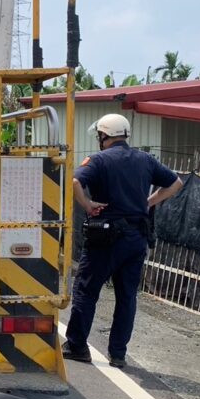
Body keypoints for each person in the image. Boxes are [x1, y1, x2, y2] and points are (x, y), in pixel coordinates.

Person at [62, 113, 183, 368]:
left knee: (86, 290)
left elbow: (74, 180)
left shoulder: (99, 160)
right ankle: (118, 354)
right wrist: (148, 203)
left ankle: (77, 346)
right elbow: (176, 183)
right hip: (136, 238)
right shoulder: (145, 160)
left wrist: (87, 203)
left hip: (105, 237)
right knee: (127, 296)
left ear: (104, 135)